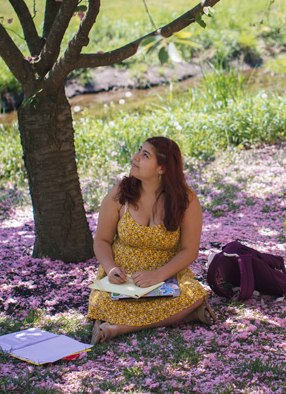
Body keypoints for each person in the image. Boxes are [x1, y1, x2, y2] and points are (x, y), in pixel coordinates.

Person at [87, 136, 216, 344]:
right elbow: (101, 240)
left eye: (145, 155)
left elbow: (189, 250)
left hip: (166, 276)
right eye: (139, 151)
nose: (135, 158)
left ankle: (116, 329)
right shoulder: (120, 193)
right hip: (123, 278)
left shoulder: (186, 199)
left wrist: (157, 275)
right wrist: (111, 269)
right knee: (101, 301)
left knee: (194, 293)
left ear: (162, 168)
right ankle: (187, 316)